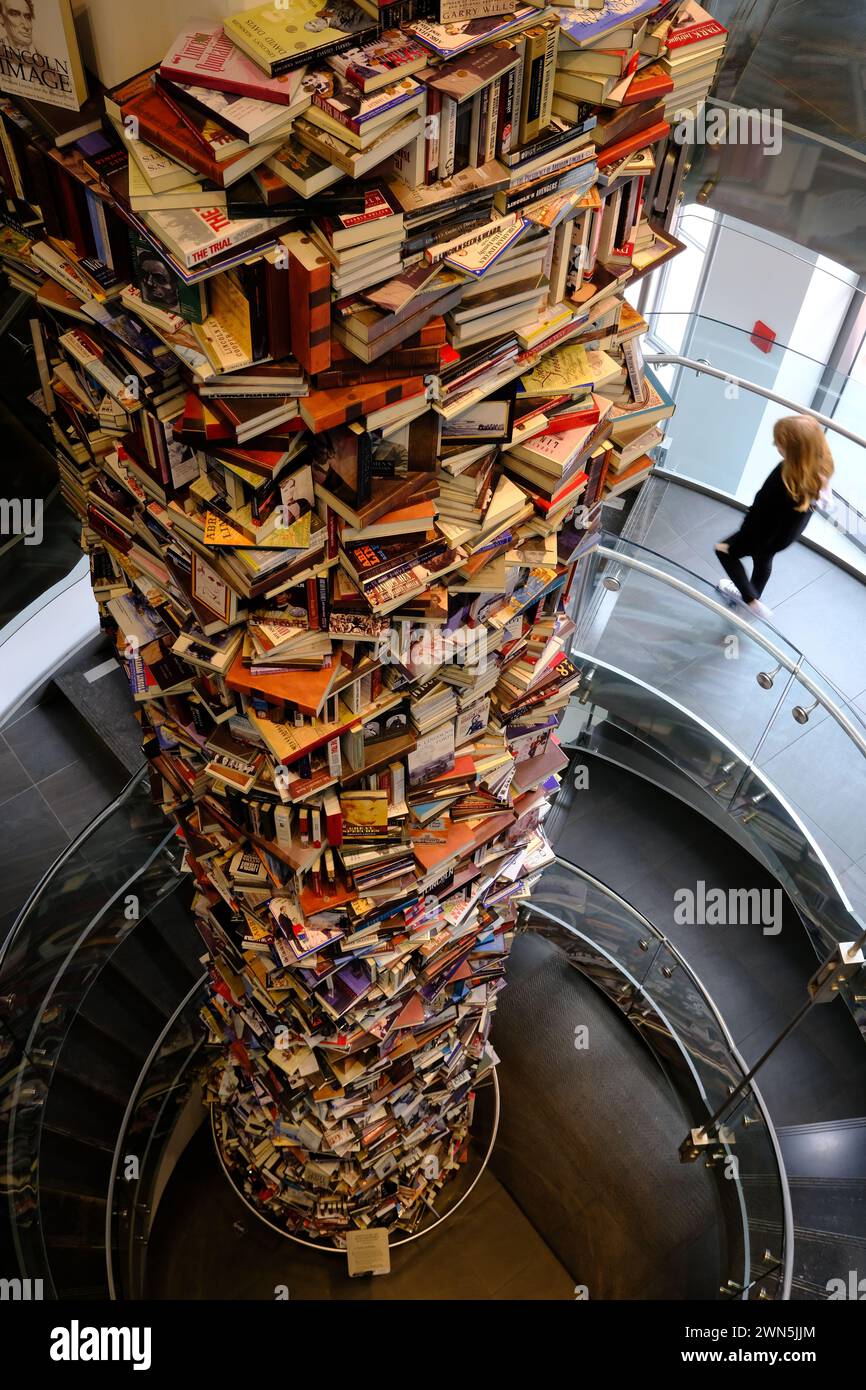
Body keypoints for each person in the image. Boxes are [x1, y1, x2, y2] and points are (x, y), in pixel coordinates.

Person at [715, 415, 834, 620]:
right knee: (763, 560)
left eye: (779, 442)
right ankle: (756, 595)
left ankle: (750, 599)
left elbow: (761, 507)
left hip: (761, 533)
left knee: (724, 551)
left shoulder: (784, 476)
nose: (775, 445)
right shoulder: (818, 474)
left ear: (793, 450)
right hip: (783, 538)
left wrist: (745, 532)